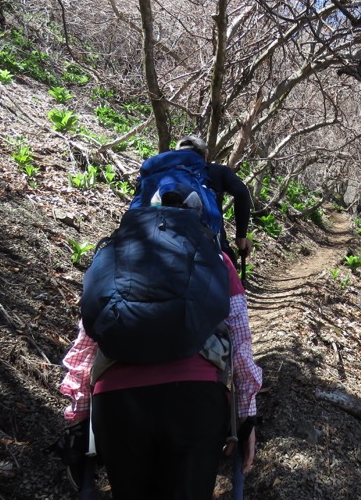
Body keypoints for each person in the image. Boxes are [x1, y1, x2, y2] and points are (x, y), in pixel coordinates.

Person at [59, 250, 262, 499]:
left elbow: (85, 345)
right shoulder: (216, 258)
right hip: (195, 400)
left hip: (116, 404)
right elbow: (240, 342)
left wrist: (78, 420)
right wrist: (245, 417)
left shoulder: (112, 254)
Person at [175, 135, 252, 268]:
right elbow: (242, 193)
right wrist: (241, 237)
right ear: (206, 155)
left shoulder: (162, 173)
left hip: (161, 242)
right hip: (209, 246)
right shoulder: (218, 172)